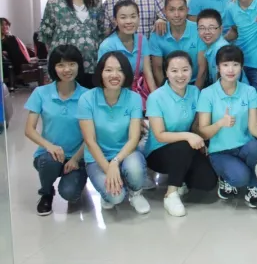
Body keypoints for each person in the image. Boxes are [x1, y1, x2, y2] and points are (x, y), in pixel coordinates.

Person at [145, 51, 217, 217]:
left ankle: (180, 178)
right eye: (174, 70)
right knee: (183, 146)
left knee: (207, 182)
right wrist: (188, 136)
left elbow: (196, 126)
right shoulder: (156, 97)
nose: (180, 75)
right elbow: (160, 135)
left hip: (186, 149)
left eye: (185, 70)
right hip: (158, 152)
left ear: (191, 71)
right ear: (166, 72)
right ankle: (171, 194)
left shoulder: (195, 92)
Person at [77, 51, 150, 213]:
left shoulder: (133, 98)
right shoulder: (87, 99)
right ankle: (109, 190)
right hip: (97, 158)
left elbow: (134, 138)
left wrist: (115, 162)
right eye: (108, 70)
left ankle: (136, 193)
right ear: (100, 73)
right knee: (116, 197)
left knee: (135, 169)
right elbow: (90, 141)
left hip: (126, 153)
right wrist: (108, 167)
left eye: (120, 70)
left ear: (126, 74)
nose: (114, 75)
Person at [197, 45, 257, 207]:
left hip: (244, 147)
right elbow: (203, 132)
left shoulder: (249, 91)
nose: (231, 69)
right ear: (218, 67)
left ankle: (254, 187)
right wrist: (220, 123)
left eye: (235, 64)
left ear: (241, 67)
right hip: (220, 151)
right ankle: (226, 178)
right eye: (225, 65)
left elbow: (254, 127)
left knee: (256, 147)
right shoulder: (207, 94)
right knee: (240, 177)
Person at [24, 45, 89, 216]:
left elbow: (92, 135)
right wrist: (50, 146)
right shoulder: (40, 93)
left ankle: (78, 179)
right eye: (61, 65)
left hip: (78, 157)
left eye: (72, 64)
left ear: (79, 65)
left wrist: (75, 159)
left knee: (70, 193)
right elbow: (29, 130)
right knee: (48, 161)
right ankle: (46, 193)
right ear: (53, 68)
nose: (67, 69)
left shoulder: (88, 96)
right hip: (49, 155)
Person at [38, 0, 105, 89]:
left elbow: (101, 34)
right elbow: (46, 36)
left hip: (91, 66)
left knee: (89, 99)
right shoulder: (55, 3)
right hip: (65, 67)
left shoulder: (95, 4)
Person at [98, 0, 157, 95]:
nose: (129, 21)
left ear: (139, 18)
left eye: (133, 16)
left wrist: (155, 96)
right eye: (123, 17)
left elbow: (148, 72)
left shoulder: (142, 40)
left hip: (138, 92)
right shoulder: (107, 46)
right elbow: (104, 79)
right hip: (115, 93)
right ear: (115, 21)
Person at [149, 0, 205, 89]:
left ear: (187, 10)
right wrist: (167, 92)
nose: (177, 14)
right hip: (170, 84)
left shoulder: (198, 30)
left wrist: (195, 93)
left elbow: (202, 68)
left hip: (195, 83)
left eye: (181, 9)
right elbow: (157, 69)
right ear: (164, 11)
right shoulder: (157, 33)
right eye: (171, 10)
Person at [1, 17, 33, 91]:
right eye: (2, 25)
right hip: (6, 60)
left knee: (13, 39)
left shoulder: (10, 37)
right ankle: (20, 74)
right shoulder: (7, 39)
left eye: (6, 24)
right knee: (12, 39)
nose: (5, 27)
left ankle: (20, 72)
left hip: (12, 58)